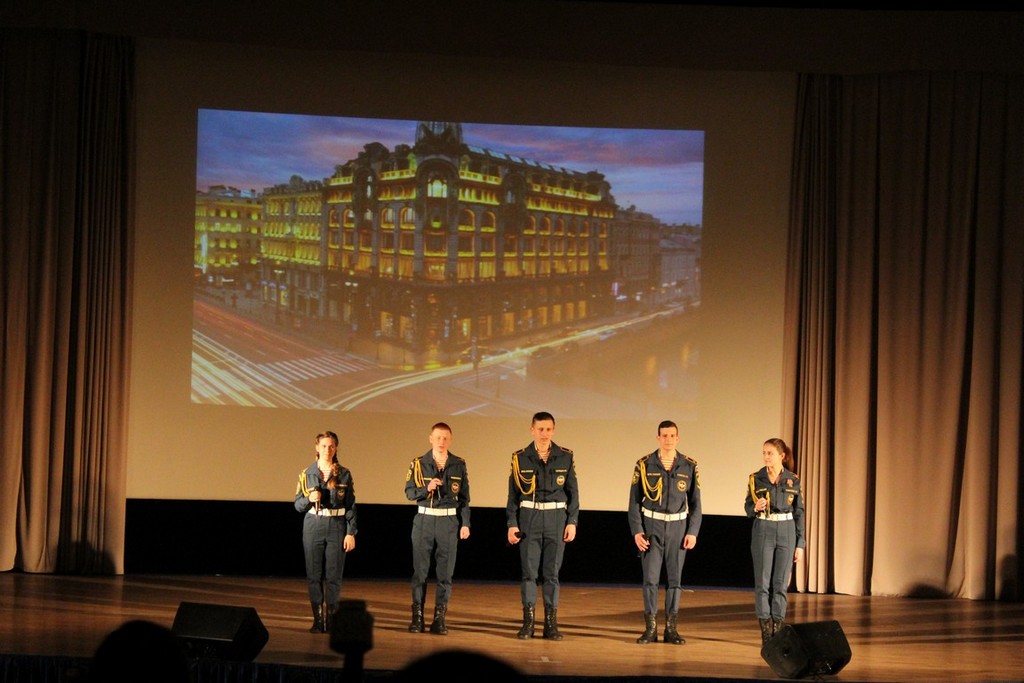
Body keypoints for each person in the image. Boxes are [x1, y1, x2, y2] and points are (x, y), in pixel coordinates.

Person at [627, 420, 702, 645]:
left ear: (678, 438)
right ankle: (651, 629)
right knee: (650, 580)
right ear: (658, 438)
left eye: (672, 436)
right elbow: (633, 502)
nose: (668, 439)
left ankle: (671, 629)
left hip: (678, 529)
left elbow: (696, 503)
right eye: (664, 435)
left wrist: (693, 531)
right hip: (652, 527)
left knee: (675, 581)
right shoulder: (644, 464)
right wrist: (637, 531)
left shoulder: (689, 465)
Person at [506, 411, 579, 640]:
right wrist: (512, 524)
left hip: (556, 519)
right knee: (529, 574)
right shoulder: (520, 458)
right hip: (530, 519)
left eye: (548, 429)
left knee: (551, 574)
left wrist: (572, 521)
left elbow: (573, 493)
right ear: (532, 430)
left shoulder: (565, 456)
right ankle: (528, 623)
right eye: (540, 429)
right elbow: (512, 496)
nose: (544, 434)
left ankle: (550, 624)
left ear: (553, 431)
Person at [404, 421, 471, 635]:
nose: (441, 442)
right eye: (438, 437)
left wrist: (465, 523)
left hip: (448, 522)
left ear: (450, 440)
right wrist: (427, 488)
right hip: (424, 520)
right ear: (430, 439)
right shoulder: (418, 463)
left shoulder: (458, 464)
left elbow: (465, 498)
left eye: (445, 438)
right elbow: (409, 492)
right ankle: (417, 618)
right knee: (420, 573)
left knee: (445, 574)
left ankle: (439, 619)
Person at [295, 429, 357, 634]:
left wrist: (351, 532)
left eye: (331, 446)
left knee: (333, 575)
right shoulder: (306, 474)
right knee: (314, 575)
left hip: (336, 525)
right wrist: (308, 499)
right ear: (317, 447)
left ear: (336, 449)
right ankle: (317, 620)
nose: (327, 450)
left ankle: (331, 619)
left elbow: (351, 505)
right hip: (313, 524)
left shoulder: (344, 473)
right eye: (323, 446)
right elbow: (297, 505)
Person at [744, 437, 805, 644]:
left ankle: (777, 628)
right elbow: (747, 507)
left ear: (782, 456)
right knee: (762, 583)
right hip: (763, 529)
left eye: (770, 453)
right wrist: (755, 507)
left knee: (780, 584)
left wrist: (800, 543)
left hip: (786, 530)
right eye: (764, 453)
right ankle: (765, 630)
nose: (766, 457)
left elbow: (799, 512)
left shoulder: (793, 480)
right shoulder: (756, 478)